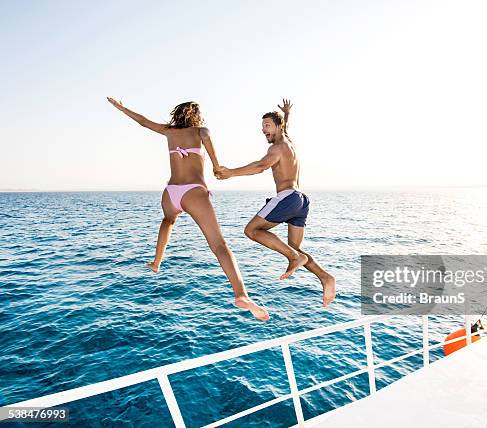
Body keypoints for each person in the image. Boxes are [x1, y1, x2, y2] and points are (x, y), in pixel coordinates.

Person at [106, 97, 269, 321]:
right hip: (194, 192)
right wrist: (217, 167)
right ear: (196, 116)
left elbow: (143, 121)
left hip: (171, 191)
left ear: (178, 114)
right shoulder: (201, 131)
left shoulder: (168, 131)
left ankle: (156, 262)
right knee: (219, 245)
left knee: (168, 221)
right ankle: (240, 293)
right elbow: (214, 159)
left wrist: (121, 107)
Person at [216, 100, 336, 307]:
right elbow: (286, 127)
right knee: (295, 247)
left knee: (251, 230)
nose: (264, 130)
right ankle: (326, 277)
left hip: (287, 197)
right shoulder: (287, 141)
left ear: (277, 126)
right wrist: (287, 114)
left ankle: (293, 257)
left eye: (268, 126)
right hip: (301, 201)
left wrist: (230, 173)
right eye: (263, 127)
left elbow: (261, 166)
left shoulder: (277, 148)